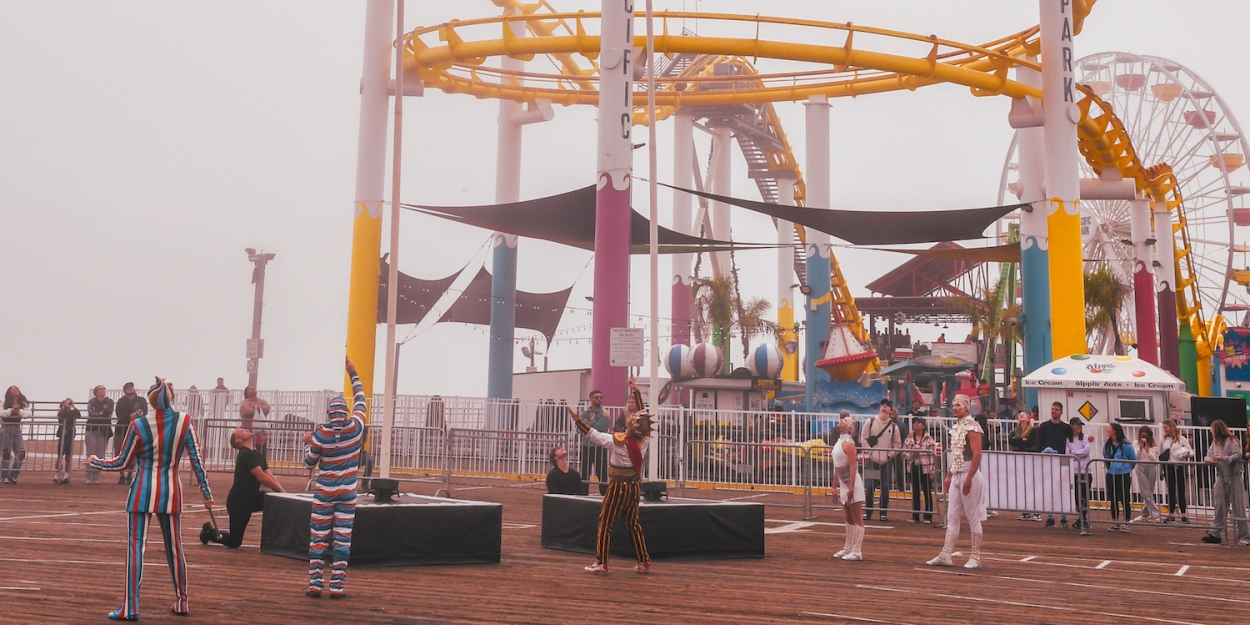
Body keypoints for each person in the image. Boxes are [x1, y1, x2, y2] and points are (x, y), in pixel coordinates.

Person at [88, 378, 213, 620]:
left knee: (136, 547)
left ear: (152, 400)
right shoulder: (185, 422)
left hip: (142, 492)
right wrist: (206, 493)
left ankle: (130, 606)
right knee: (175, 548)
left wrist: (95, 461)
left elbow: (122, 462)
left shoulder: (138, 425)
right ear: (172, 397)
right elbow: (197, 460)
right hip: (171, 492)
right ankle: (182, 600)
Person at [571, 377, 653, 575]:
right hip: (634, 485)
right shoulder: (645, 440)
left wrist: (578, 421)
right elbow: (643, 417)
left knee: (605, 523)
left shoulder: (618, 441)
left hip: (618, 486)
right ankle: (643, 561)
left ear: (631, 428)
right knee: (633, 523)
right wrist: (637, 393)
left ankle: (601, 562)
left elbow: (594, 435)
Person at [303, 357, 366, 598]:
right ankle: (337, 586)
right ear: (347, 412)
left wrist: (307, 443)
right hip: (348, 494)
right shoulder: (356, 429)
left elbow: (309, 463)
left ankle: (315, 584)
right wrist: (353, 374)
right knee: (342, 538)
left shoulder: (321, 434)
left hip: (324, 494)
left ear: (329, 413)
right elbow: (361, 400)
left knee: (318, 536)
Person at [927, 395, 986, 569]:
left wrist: (969, 478)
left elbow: (977, 455)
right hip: (958, 473)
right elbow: (957, 455)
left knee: (972, 516)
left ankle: (975, 556)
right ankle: (946, 554)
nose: (955, 407)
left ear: (967, 407)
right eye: (953, 405)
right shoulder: (958, 426)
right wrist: (949, 475)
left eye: (958, 405)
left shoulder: (973, 426)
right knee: (952, 516)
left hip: (969, 473)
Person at [202, 428, 283, 548]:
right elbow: (261, 477)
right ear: (238, 440)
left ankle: (277, 540)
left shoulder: (257, 456)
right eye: (242, 431)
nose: (246, 429)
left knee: (277, 502)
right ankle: (209, 533)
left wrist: (282, 493)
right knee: (235, 541)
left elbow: (269, 476)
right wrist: (280, 491)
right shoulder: (245, 454)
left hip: (252, 497)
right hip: (239, 502)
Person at [1201, 420, 1249, 546]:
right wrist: (1208, 460)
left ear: (1217, 429)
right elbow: (1208, 455)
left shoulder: (1231, 439)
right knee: (1219, 504)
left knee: (1238, 506)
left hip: (1234, 475)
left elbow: (1237, 455)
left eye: (1212, 428)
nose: (1211, 431)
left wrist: (1223, 459)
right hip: (1221, 475)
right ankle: (1215, 532)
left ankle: (1244, 536)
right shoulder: (1215, 442)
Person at [860, 400, 902, 521]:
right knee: (869, 487)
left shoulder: (894, 427)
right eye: (883, 404)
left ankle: (883, 512)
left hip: (886, 462)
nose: (884, 406)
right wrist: (870, 452)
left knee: (885, 487)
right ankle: (868, 512)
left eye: (887, 405)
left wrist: (889, 456)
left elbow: (897, 445)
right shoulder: (870, 422)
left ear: (891, 410)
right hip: (873, 461)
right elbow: (863, 439)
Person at [831, 416, 866, 561]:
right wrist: (834, 486)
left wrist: (852, 487)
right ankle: (848, 547)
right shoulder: (839, 442)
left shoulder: (849, 444)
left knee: (857, 518)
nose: (841, 421)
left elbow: (853, 468)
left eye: (846, 420)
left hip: (852, 484)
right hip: (844, 484)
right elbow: (837, 467)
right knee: (848, 518)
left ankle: (857, 551)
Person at [1036, 402, 1073, 527]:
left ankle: (1063, 517)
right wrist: (1041, 454)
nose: (1054, 411)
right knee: (1049, 489)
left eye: (1056, 409)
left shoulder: (1066, 428)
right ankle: (1050, 517)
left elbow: (1075, 439)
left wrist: (1088, 438)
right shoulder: (1044, 426)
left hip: (1062, 461)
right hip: (1048, 462)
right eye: (1052, 409)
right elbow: (1038, 444)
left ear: (1061, 412)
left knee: (1063, 490)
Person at [567, 390, 609, 482]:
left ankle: (604, 494)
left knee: (602, 473)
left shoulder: (605, 413)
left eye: (601, 398)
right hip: (586, 446)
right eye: (597, 397)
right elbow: (579, 427)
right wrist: (591, 424)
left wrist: (586, 425)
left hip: (599, 447)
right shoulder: (584, 413)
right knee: (584, 472)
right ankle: (583, 494)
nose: (599, 399)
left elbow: (600, 427)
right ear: (590, 399)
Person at [1103, 422, 1136, 532]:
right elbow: (1105, 455)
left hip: (1124, 473)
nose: (1107, 430)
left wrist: (1127, 467)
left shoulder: (1126, 444)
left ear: (1115, 431)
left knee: (1124, 498)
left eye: (1109, 428)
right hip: (1111, 473)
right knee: (1113, 498)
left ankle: (1127, 522)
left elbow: (1133, 458)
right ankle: (1115, 522)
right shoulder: (1107, 444)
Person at [113, 382, 148, 485]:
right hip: (121, 430)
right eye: (128, 388)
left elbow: (144, 412)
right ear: (124, 390)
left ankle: (130, 475)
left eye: (131, 387)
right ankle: (122, 476)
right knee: (120, 452)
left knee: (134, 452)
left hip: (136, 430)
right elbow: (119, 413)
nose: (130, 389)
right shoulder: (121, 401)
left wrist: (135, 416)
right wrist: (129, 416)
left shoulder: (141, 400)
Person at [1159, 418, 1193, 524]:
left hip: (1180, 466)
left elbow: (1191, 451)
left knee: (1181, 490)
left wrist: (1187, 454)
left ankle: (1183, 514)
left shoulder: (1181, 439)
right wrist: (1161, 469)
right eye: (1164, 428)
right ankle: (1171, 514)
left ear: (1171, 427)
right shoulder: (1163, 440)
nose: (1165, 430)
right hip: (1168, 466)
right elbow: (1161, 455)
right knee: (1171, 490)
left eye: (1166, 427)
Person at [1008, 411, 1040, 520]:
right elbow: (1012, 442)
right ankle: (1025, 510)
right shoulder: (1014, 431)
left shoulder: (1033, 430)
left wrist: (1020, 442)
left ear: (1028, 418)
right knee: (1022, 486)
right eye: (1019, 415)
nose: (1021, 416)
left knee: (1033, 486)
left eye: (1023, 414)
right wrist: (1022, 441)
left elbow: (1030, 443)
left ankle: (1037, 511)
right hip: (1019, 461)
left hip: (1031, 461)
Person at [903, 420, 936, 523]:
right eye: (915, 423)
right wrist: (910, 455)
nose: (916, 425)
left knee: (927, 492)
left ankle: (928, 516)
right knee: (915, 492)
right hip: (913, 467)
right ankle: (915, 515)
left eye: (918, 423)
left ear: (923, 426)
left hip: (925, 468)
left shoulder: (929, 439)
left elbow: (932, 456)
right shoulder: (909, 438)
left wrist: (932, 471)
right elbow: (904, 452)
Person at [1066, 418, 1093, 532]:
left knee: (1085, 495)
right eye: (1077, 425)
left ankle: (1084, 517)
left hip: (1085, 471)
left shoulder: (1085, 437)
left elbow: (1087, 450)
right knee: (1077, 495)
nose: (1079, 427)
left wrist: (1075, 453)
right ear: (1072, 426)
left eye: (1080, 425)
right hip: (1075, 471)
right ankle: (1082, 517)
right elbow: (1067, 453)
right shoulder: (1068, 439)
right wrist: (1077, 453)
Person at [1131, 426, 1162, 523]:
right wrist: (1140, 449)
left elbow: (1154, 459)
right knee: (1145, 492)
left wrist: (1148, 450)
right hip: (1140, 466)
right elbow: (1135, 457)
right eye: (1142, 436)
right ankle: (1156, 514)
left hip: (1151, 467)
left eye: (1146, 436)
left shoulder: (1154, 445)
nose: (1144, 438)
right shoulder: (1136, 443)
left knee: (1150, 491)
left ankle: (1144, 513)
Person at [86, 385, 115, 485]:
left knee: (100, 454)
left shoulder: (109, 401)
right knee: (91, 453)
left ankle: (96, 476)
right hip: (91, 429)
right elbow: (91, 412)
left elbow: (108, 411)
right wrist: (101, 413)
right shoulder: (91, 402)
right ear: (96, 392)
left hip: (104, 430)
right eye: (100, 389)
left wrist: (99, 413)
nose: (103, 390)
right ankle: (89, 477)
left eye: (103, 388)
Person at [1, 385, 30, 484]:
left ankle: (13, 475)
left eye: (16, 388)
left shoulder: (22, 402)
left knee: (21, 453)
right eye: (12, 389)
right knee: (6, 452)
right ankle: (4, 475)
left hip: (17, 429)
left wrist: (19, 412)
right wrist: (11, 411)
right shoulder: (5, 402)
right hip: (6, 428)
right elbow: (1, 413)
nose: (15, 390)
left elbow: (28, 413)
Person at [54, 398, 81, 485]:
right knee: (60, 456)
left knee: (68, 457)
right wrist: (65, 406)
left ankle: (66, 475)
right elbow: (63, 415)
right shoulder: (60, 413)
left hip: (70, 436)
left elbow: (78, 414)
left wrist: (73, 406)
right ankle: (57, 475)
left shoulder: (72, 413)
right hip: (62, 436)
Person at [239, 386, 272, 456]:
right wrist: (258, 410)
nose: (252, 389)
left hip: (260, 433)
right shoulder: (244, 402)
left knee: (261, 454)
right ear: (246, 393)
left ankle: (261, 466)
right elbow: (244, 411)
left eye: (253, 388)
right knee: (246, 452)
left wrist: (254, 408)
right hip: (247, 431)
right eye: (250, 389)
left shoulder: (262, 401)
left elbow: (267, 409)